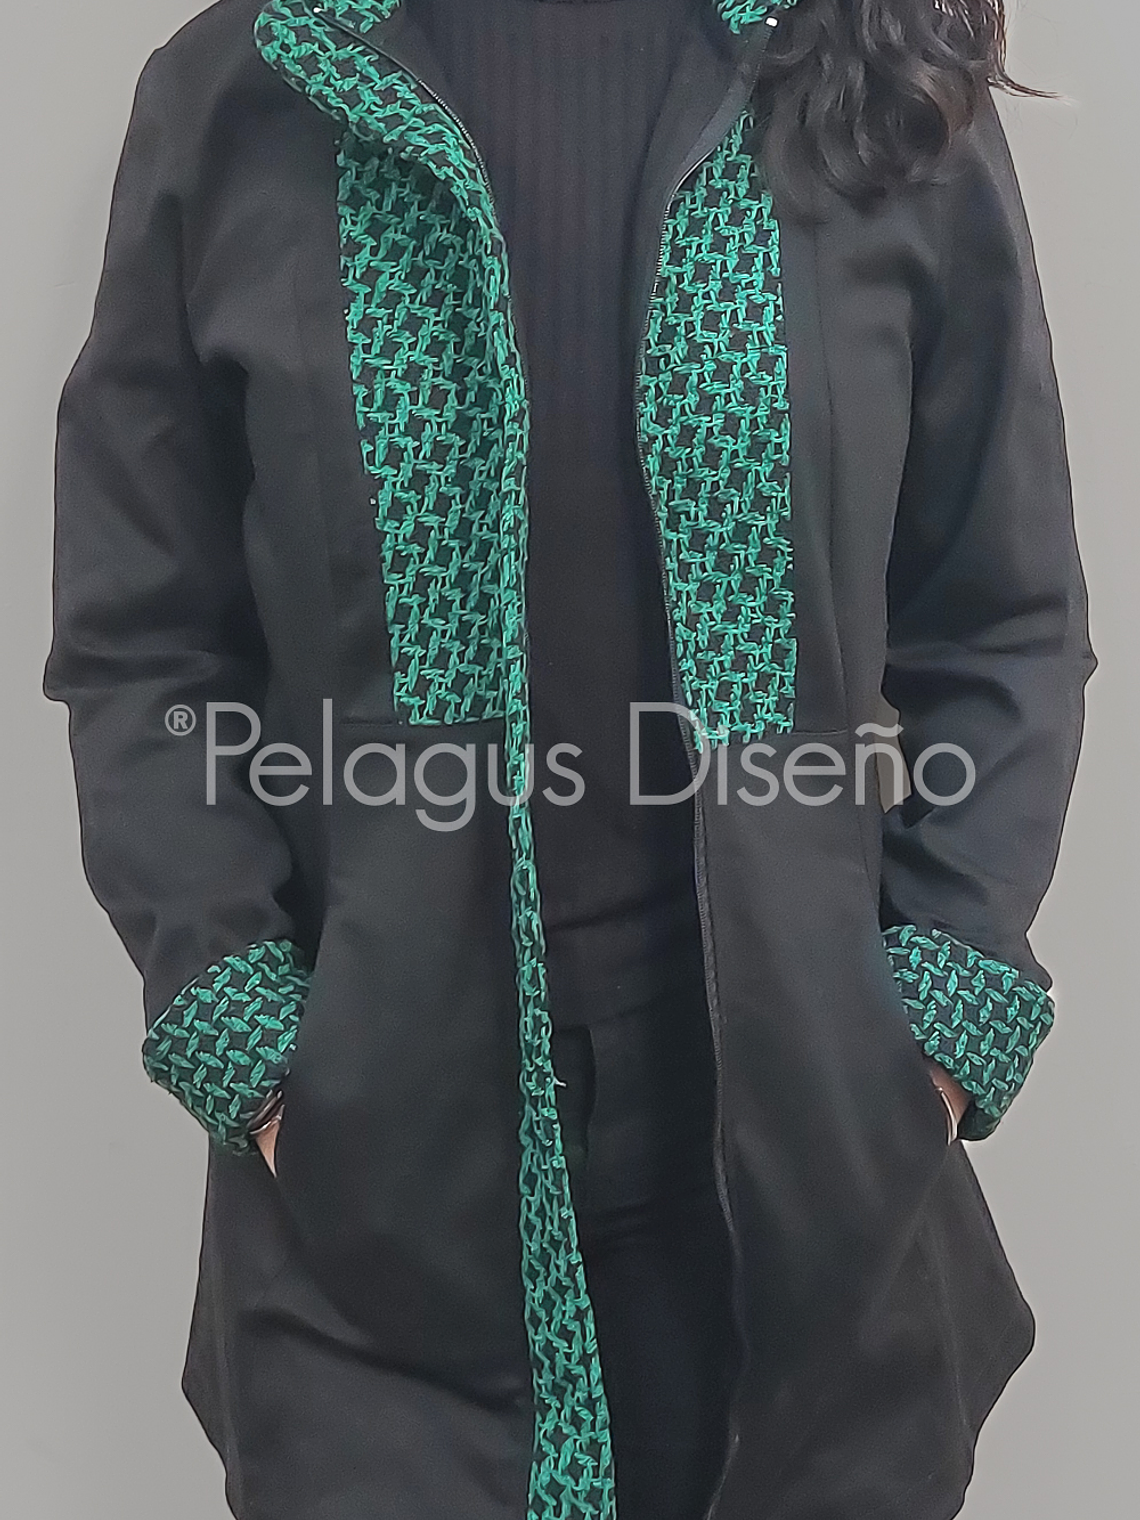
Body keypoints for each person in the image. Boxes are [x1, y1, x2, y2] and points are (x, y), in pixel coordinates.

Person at [44, 0, 1095, 1516]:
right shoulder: (247, 94)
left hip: (812, 1204)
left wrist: (935, 1028)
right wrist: (256, 1051)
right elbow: (142, 646)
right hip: (381, 1228)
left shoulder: (866, 80)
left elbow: (1005, 616)